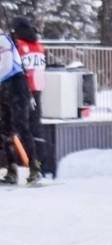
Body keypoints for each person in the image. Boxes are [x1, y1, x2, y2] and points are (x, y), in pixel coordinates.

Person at [0, 27, 36, 185]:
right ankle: (11, 168)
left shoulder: (2, 39)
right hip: (4, 86)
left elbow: (7, 67)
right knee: (4, 129)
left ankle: (34, 166)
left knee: (21, 126)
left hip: (15, 84)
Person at [12, 17, 44, 181]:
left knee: (18, 128)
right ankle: (38, 165)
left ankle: (19, 166)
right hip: (37, 89)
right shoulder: (38, 46)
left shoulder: (18, 46)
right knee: (34, 128)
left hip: (22, 90)